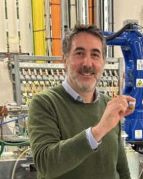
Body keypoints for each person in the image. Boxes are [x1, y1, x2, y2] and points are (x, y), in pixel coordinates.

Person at [28, 24, 135, 179]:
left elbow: (121, 170)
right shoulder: (44, 103)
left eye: (95, 55)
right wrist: (98, 130)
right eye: (79, 53)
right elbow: (46, 164)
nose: (87, 63)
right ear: (65, 60)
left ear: (103, 62)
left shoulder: (108, 105)